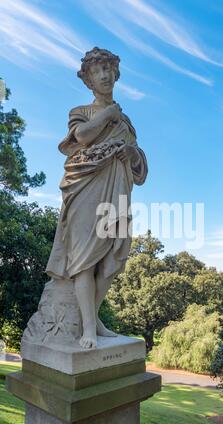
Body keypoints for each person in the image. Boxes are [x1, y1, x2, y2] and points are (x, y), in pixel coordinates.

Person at [46, 48, 148, 349]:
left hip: (117, 193)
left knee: (113, 260)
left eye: (108, 70)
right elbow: (83, 138)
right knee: (84, 261)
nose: (104, 75)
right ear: (89, 81)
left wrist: (133, 153)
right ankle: (88, 328)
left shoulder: (126, 123)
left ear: (115, 74)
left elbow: (139, 168)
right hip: (86, 190)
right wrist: (108, 114)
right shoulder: (82, 112)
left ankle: (93, 317)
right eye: (97, 72)